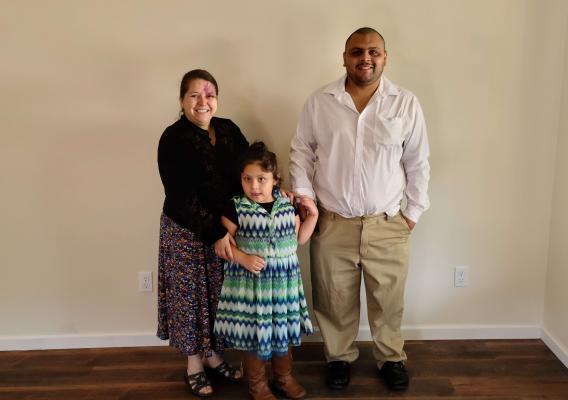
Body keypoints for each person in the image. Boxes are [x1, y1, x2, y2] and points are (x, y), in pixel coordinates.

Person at [289, 27, 430, 391]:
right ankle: (338, 358)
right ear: (344, 57)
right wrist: (306, 201)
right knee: (334, 299)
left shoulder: (405, 103)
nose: (365, 58)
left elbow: (418, 162)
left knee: (389, 299)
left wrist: (412, 214)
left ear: (385, 57)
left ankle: (391, 359)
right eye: (356, 52)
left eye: (373, 51)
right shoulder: (320, 102)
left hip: (387, 222)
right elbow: (301, 152)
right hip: (333, 222)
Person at [157, 69, 248, 397]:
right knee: (190, 300)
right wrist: (216, 232)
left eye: (209, 95)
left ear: (217, 99)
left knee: (217, 298)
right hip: (185, 232)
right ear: (182, 101)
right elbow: (181, 196)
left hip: (225, 229)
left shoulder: (228, 129)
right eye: (194, 95)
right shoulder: (173, 138)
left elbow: (248, 173)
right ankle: (194, 364)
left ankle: (214, 358)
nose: (202, 101)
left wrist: (277, 195)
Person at [214, 141, 318, 400]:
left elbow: (298, 241)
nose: (254, 186)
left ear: (275, 179)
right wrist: (243, 258)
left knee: (281, 332)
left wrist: (313, 217)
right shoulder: (235, 208)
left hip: (283, 284)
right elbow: (221, 246)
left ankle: (283, 378)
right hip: (252, 286)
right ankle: (257, 384)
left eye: (262, 179)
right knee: (255, 336)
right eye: (248, 179)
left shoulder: (287, 205)